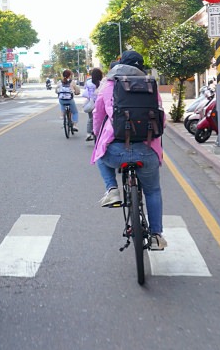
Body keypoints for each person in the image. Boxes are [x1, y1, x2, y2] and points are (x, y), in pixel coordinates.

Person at [90, 50, 167, 250]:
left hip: (115, 150)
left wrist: (99, 135)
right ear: (141, 67)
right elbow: (162, 118)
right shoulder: (151, 85)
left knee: (100, 152)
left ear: (119, 63)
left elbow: (98, 117)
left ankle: (112, 189)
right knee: (152, 190)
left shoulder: (108, 85)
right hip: (147, 150)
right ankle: (157, 236)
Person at [82, 67, 104, 142]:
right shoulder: (102, 83)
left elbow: (85, 90)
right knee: (101, 118)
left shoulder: (88, 82)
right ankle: (100, 133)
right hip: (100, 103)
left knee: (90, 118)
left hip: (91, 102)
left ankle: (88, 134)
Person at [56, 69, 79, 133]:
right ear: (70, 76)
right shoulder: (72, 82)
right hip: (70, 100)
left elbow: (56, 91)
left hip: (62, 100)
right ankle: (74, 125)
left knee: (62, 102)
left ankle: (62, 114)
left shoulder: (59, 82)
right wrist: (76, 92)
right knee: (75, 112)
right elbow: (76, 90)